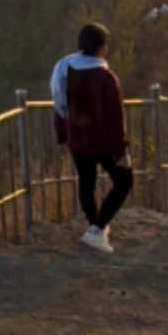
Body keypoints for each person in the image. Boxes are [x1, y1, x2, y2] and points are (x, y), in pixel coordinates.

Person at [50, 23, 133, 255]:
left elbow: (59, 106)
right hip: (103, 142)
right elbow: (115, 117)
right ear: (102, 47)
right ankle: (97, 230)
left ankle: (94, 227)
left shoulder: (65, 68)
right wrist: (122, 150)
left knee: (86, 182)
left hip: (78, 139)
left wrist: (63, 135)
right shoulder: (105, 77)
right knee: (124, 181)